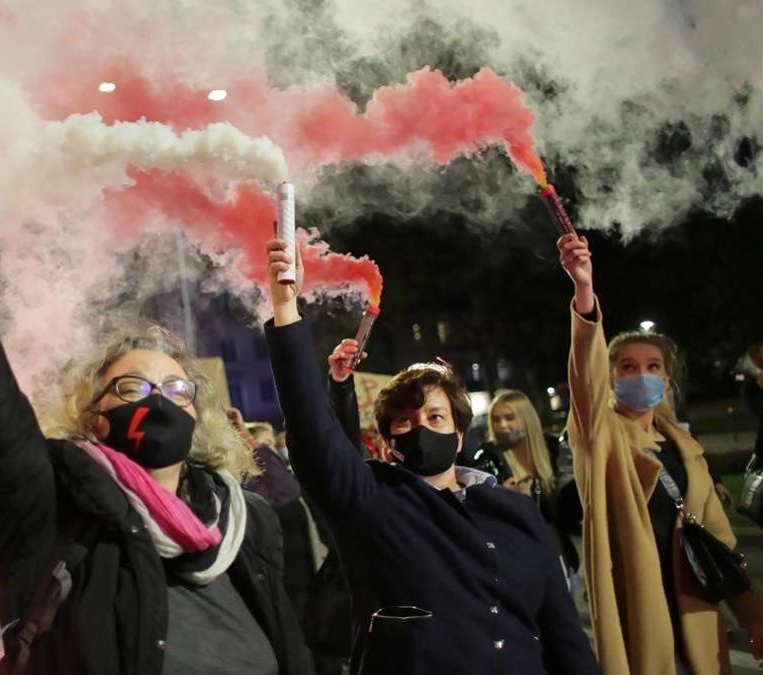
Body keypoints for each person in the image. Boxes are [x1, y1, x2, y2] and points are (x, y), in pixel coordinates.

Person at [0, 97, 312, 675]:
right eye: (132, 389)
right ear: (92, 413)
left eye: (176, 390)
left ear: (200, 413)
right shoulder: (50, 508)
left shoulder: (248, 522)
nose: (157, 401)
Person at [263, 238, 599, 675]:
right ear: (387, 445)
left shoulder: (515, 511)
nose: (422, 426)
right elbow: (313, 432)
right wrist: (286, 309)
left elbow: (562, 633)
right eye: (405, 420)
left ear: (460, 436)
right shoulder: (373, 501)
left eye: (436, 416)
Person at [558, 232, 763, 674]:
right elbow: (585, 380)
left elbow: (722, 543)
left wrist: (753, 617)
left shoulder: (687, 449)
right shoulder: (600, 436)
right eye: (627, 367)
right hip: (641, 615)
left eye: (654, 367)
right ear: (610, 378)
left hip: (699, 614)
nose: (643, 375)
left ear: (668, 380)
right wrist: (584, 291)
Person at [462, 390, 580, 580]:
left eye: (510, 418)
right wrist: (502, 498)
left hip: (558, 551)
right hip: (516, 555)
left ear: (526, 418)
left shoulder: (552, 448)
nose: (503, 425)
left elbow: (566, 508)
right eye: (496, 419)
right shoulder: (488, 458)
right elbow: (478, 509)